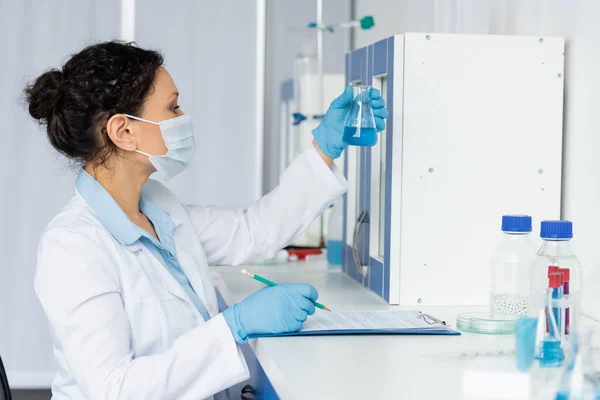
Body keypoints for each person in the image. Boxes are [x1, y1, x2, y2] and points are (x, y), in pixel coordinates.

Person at [26, 41, 388, 399]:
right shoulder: (73, 246)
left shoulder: (157, 206)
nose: (183, 119)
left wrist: (324, 148)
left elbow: (252, 231)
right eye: (173, 107)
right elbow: (114, 389)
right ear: (124, 132)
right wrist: (233, 328)